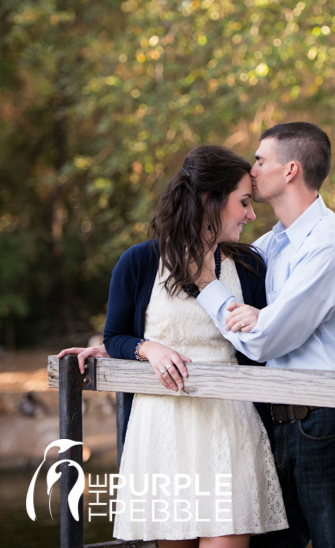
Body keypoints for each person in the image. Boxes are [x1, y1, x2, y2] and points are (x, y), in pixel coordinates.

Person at [61, 145, 288, 547]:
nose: (252, 215)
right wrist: (147, 348)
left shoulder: (250, 267)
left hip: (228, 428)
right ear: (209, 201)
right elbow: (116, 336)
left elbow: (262, 351)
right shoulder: (139, 262)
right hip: (163, 429)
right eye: (244, 202)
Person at [194, 123, 335, 548]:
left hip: (329, 419)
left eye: (260, 160)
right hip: (279, 422)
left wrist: (209, 286)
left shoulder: (328, 248)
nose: (252, 169)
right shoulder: (274, 244)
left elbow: (265, 341)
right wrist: (128, 343)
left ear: (291, 169)